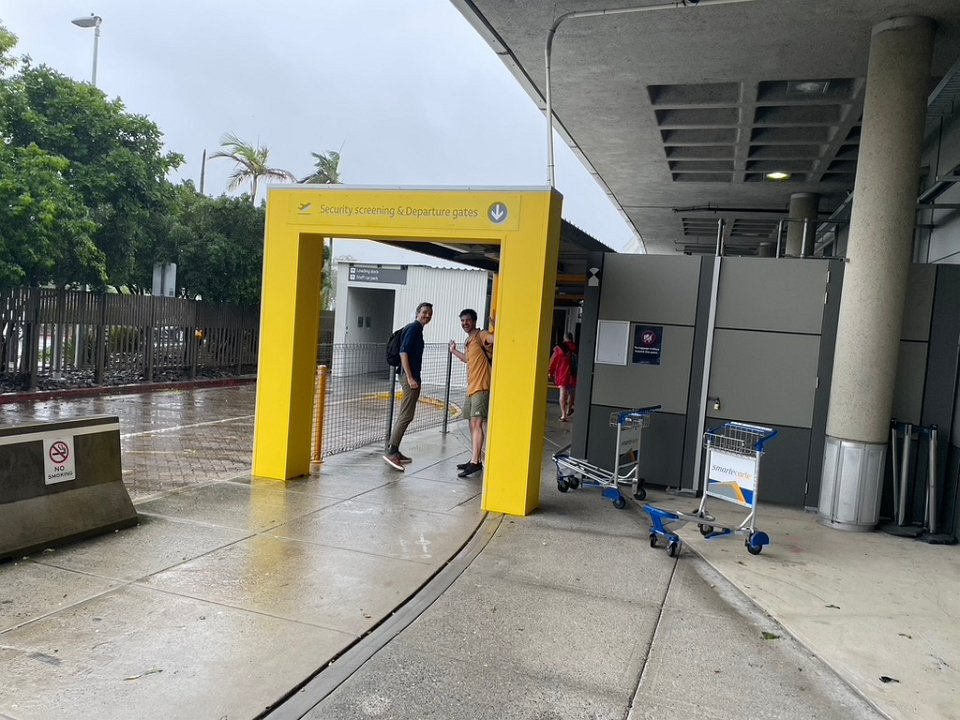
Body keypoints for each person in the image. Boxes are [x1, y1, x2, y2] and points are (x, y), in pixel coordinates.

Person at [383, 302, 433, 470]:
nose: (427, 315)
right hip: (409, 376)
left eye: (430, 313)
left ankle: (395, 450)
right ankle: (392, 451)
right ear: (418, 313)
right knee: (406, 414)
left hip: (410, 375)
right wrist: (410, 377)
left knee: (406, 414)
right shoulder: (414, 328)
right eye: (424, 312)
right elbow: (403, 352)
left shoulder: (416, 329)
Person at [448, 308, 494, 478]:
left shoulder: (481, 335)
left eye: (467, 320)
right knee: (472, 424)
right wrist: (453, 351)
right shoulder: (469, 340)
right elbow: (468, 359)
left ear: (474, 321)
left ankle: (475, 462)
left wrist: (496, 325)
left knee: (477, 424)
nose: (465, 323)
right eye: (462, 321)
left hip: (481, 386)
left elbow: (494, 339)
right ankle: (475, 459)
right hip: (471, 388)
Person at [549, 332, 578, 422]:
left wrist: (551, 372)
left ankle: (563, 415)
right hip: (573, 374)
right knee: (572, 393)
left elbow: (552, 361)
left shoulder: (559, 348)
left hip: (562, 374)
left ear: (564, 338)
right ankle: (569, 409)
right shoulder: (576, 347)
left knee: (562, 393)